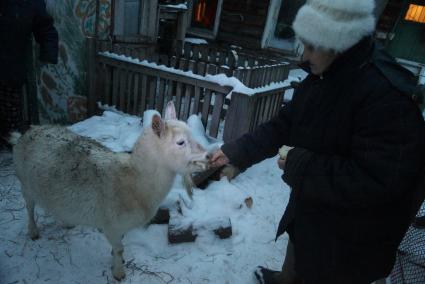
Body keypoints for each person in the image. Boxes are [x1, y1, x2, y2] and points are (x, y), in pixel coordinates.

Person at [210, 0, 425, 283]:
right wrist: (237, 152)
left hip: (351, 240)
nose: (304, 54)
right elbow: (287, 122)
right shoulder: (325, 73)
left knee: (320, 269)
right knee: (299, 253)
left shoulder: (387, 97)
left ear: (338, 44)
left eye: (311, 46)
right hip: (314, 209)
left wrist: (301, 165)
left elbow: (379, 180)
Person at [0, 0, 58, 148]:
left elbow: (45, 28)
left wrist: (48, 52)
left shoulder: (30, 3)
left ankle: (13, 151)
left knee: (10, 125)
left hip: (10, 70)